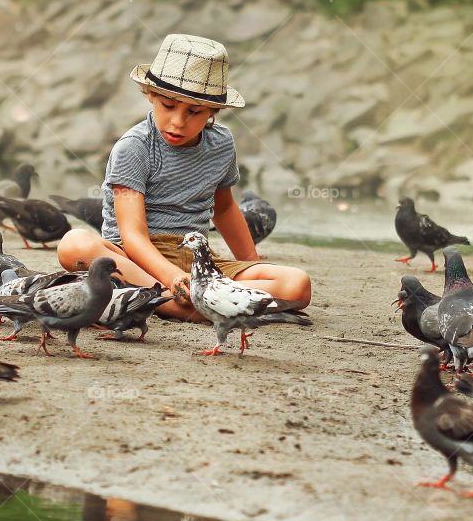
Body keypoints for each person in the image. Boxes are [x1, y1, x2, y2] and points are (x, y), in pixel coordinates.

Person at [57, 33, 311, 321]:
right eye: (168, 106)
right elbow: (133, 236)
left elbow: (225, 208)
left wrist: (249, 262)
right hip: (134, 258)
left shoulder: (222, 144)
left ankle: (188, 303)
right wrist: (171, 277)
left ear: (214, 110)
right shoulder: (135, 147)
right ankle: (171, 299)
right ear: (151, 95)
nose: (178, 121)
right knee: (75, 244)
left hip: (195, 258)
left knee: (296, 285)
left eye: (194, 112)